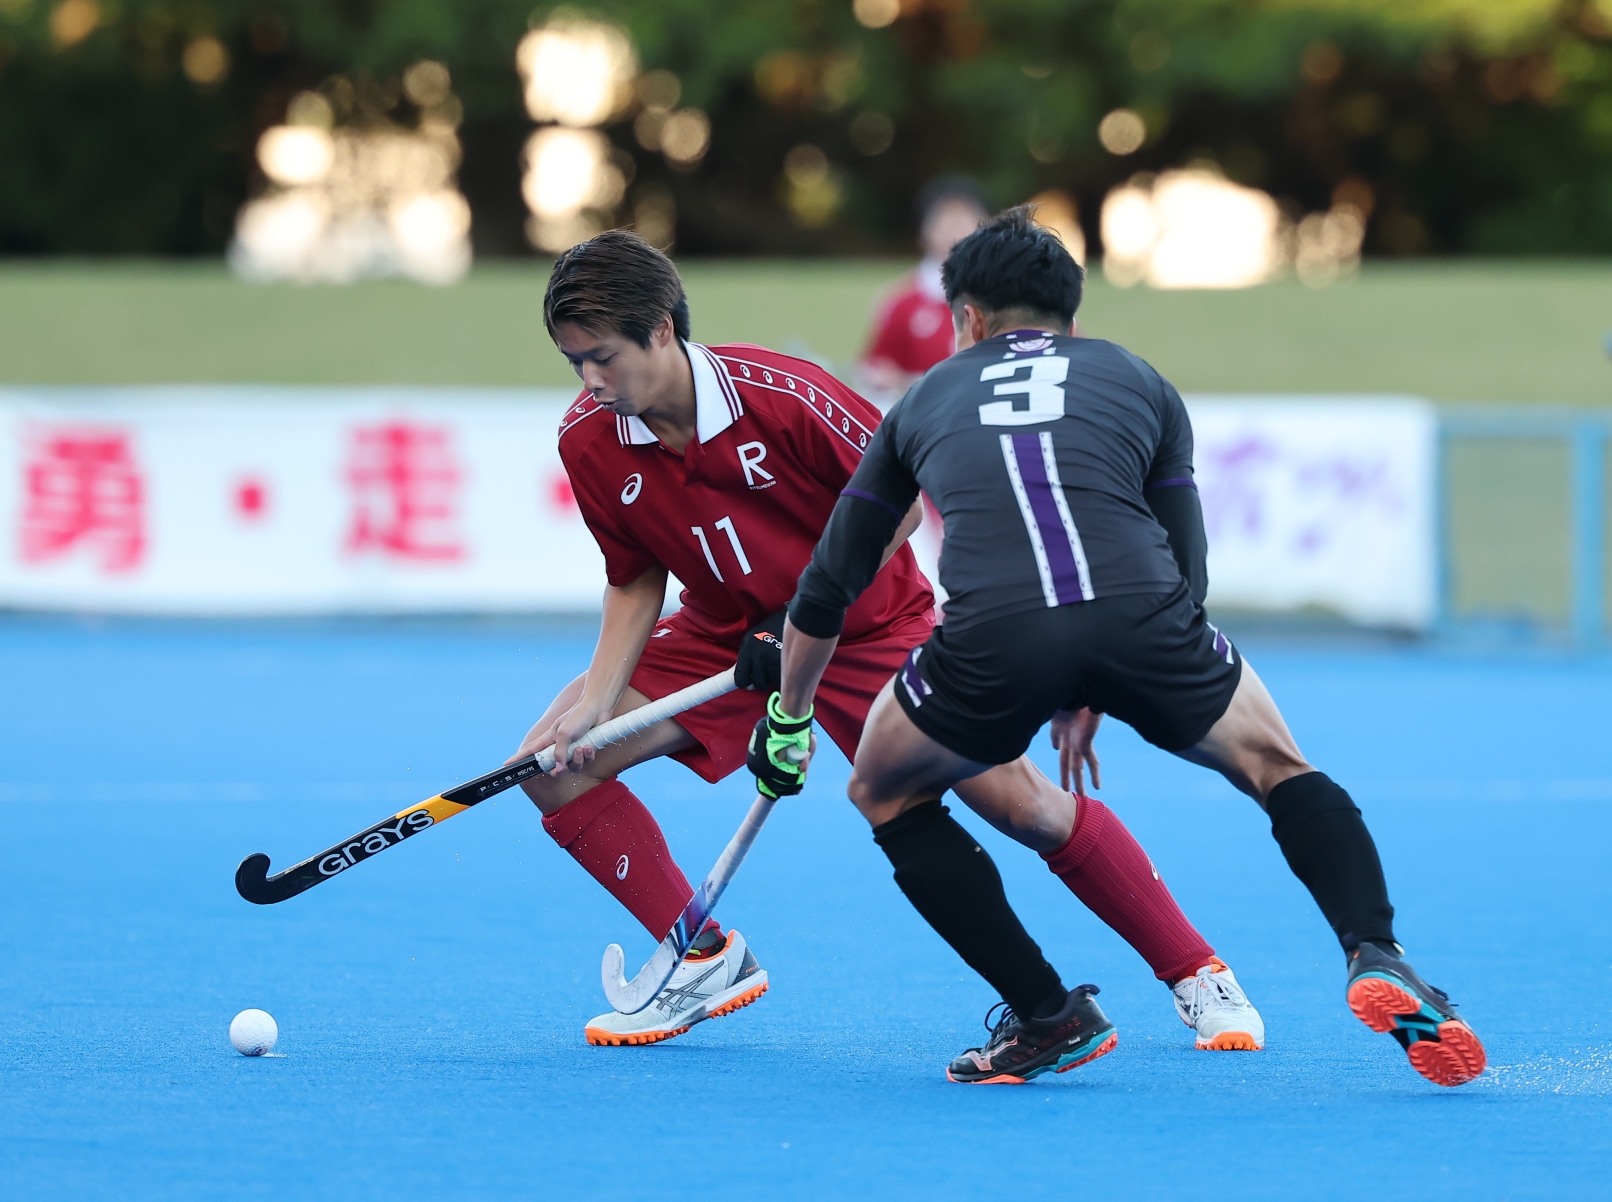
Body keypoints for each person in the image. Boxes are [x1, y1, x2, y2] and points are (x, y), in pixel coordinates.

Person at [751, 208, 1486, 1086]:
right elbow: (1187, 562)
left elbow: (829, 586)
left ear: (968, 320)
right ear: (1073, 315)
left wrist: (790, 716)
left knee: (883, 791)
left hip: (993, 638)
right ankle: (1375, 949)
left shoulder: (921, 401)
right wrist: (1107, 676)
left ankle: (1046, 1014)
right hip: (1145, 618)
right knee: (1278, 766)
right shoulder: (1138, 378)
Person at [513, 230, 1265, 1051]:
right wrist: (596, 702)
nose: (589, 382)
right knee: (553, 768)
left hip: (871, 628)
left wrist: (799, 618)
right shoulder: (589, 436)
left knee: (1019, 806)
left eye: (603, 358)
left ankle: (1196, 971)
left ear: (662, 329)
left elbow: (903, 506)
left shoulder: (788, 395)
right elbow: (633, 578)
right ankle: (701, 958)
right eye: (574, 362)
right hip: (721, 636)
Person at [856, 176, 990, 403]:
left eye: (964, 218)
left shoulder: (1004, 295)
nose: (955, 228)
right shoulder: (901, 300)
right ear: (924, 231)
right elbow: (877, 367)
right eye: (945, 219)